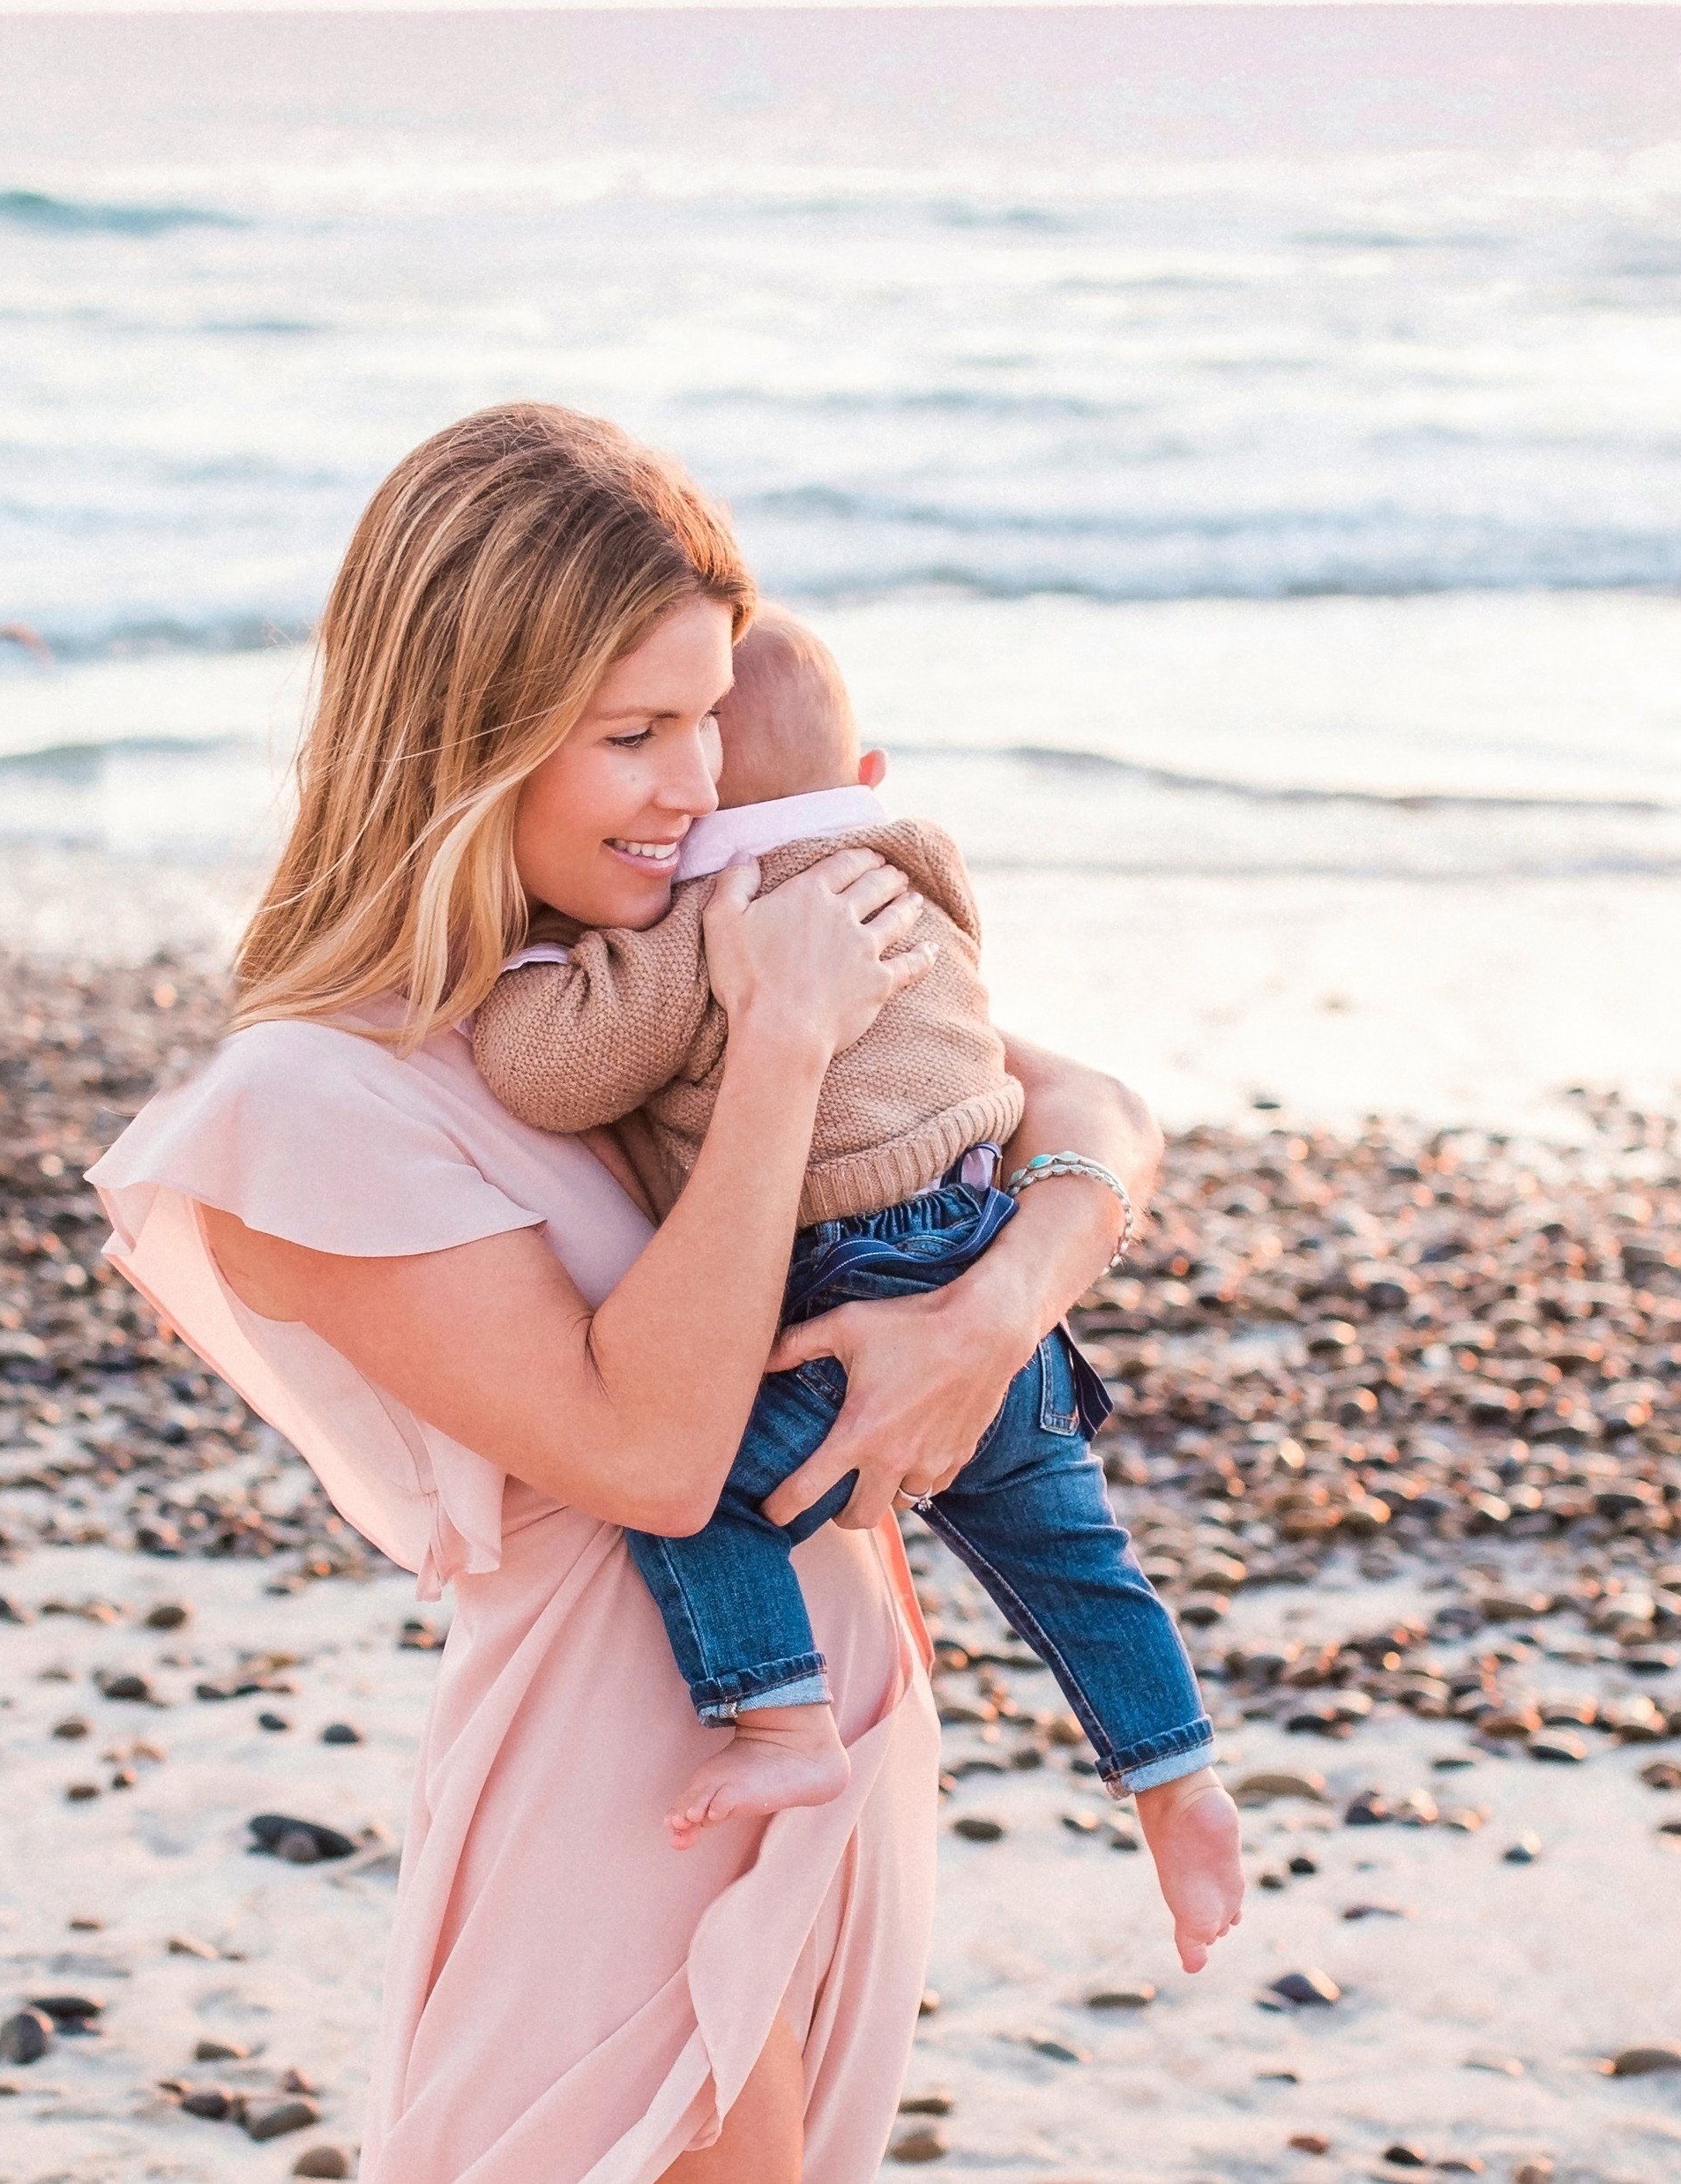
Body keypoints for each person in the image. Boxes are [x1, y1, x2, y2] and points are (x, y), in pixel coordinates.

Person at [89, 404, 1169, 2183]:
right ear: (463, 733)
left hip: (829, 1730)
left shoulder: (640, 967)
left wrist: (989, 1314)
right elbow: (654, 1457)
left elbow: (1097, 1113)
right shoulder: (308, 1108)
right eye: (636, 734)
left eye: (709, 722)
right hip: (629, 1787)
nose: (700, 786)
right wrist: (780, 1044)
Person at [469, 608, 1242, 1972]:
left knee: (687, 1484)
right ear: (865, 778)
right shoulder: (909, 871)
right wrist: (999, 1310)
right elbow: (1042, 1070)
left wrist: (539, 972)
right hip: (996, 1256)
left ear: (712, 798)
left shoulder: (722, 921)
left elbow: (550, 1072)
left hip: (847, 1287)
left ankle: (779, 1722)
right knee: (1077, 1562)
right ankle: (1174, 1776)